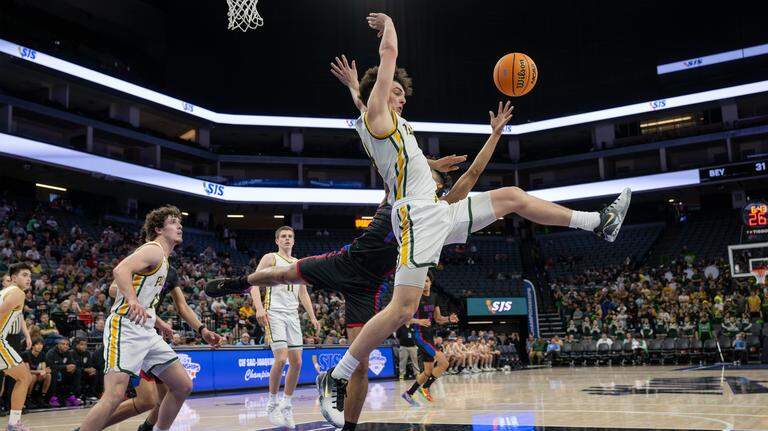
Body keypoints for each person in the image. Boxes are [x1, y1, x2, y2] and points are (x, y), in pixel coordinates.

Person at [315, 12, 631, 424]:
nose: (402, 97)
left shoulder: (387, 122)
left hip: (438, 211)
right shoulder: (378, 117)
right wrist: (390, 23)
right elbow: (388, 54)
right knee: (402, 310)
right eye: (394, 91)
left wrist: (357, 89)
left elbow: (370, 106)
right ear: (380, 94)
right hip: (416, 217)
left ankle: (596, 223)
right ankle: (337, 378)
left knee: (512, 197)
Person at [79, 205, 193, 431]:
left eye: (179, 221)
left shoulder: (164, 259)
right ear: (159, 229)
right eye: (173, 222)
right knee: (114, 395)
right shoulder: (153, 249)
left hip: (146, 330)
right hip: (125, 326)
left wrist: (159, 322)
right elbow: (120, 271)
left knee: (182, 386)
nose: (179, 225)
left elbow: (145, 300)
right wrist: (131, 300)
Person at [87, 265, 223, 431]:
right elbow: (113, 289)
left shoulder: (170, 271)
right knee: (144, 399)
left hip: (149, 331)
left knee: (174, 390)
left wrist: (202, 330)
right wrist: (135, 299)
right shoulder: (144, 258)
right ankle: (88, 428)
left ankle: (147, 428)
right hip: (127, 330)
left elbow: (183, 307)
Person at [247, 226, 319, 429]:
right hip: (274, 313)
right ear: (277, 241)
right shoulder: (270, 258)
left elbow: (303, 293)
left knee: (296, 362)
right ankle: (272, 402)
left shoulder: (298, 264)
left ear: (294, 241)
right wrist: (259, 308)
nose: (287, 239)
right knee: (281, 358)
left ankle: (287, 404)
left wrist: (312, 317)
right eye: (283, 236)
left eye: (290, 236)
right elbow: (253, 284)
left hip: (292, 315)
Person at [401, 272, 457, 405]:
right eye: (422, 281)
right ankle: (425, 388)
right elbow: (404, 318)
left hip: (429, 335)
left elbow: (438, 319)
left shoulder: (435, 297)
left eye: (427, 281)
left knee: (427, 371)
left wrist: (449, 319)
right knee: (444, 363)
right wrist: (418, 321)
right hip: (419, 336)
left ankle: (409, 394)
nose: (425, 284)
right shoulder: (415, 298)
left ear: (431, 282)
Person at [0, 263, 34, 430]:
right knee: (24, 378)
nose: (28, 279)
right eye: (24, 275)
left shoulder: (5, 292)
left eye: (30, 276)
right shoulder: (18, 293)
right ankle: (14, 424)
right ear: (13, 278)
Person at [46, 337, 81, 407]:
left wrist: (73, 367)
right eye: (63, 344)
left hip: (64, 372)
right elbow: (51, 366)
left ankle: (71, 395)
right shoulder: (51, 353)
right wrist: (65, 367)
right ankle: (52, 398)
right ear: (58, 345)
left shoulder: (68, 353)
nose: (65, 346)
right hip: (54, 373)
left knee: (77, 371)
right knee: (54, 373)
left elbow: (72, 363)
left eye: (67, 344)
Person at [21, 337, 51, 409]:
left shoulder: (42, 354)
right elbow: (27, 371)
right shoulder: (26, 354)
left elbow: (43, 369)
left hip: (36, 374)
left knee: (48, 375)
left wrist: (45, 371)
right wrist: (40, 371)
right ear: (32, 346)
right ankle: (28, 398)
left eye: (41, 344)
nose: (40, 346)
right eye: (37, 344)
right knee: (33, 377)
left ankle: (42, 397)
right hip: (25, 375)